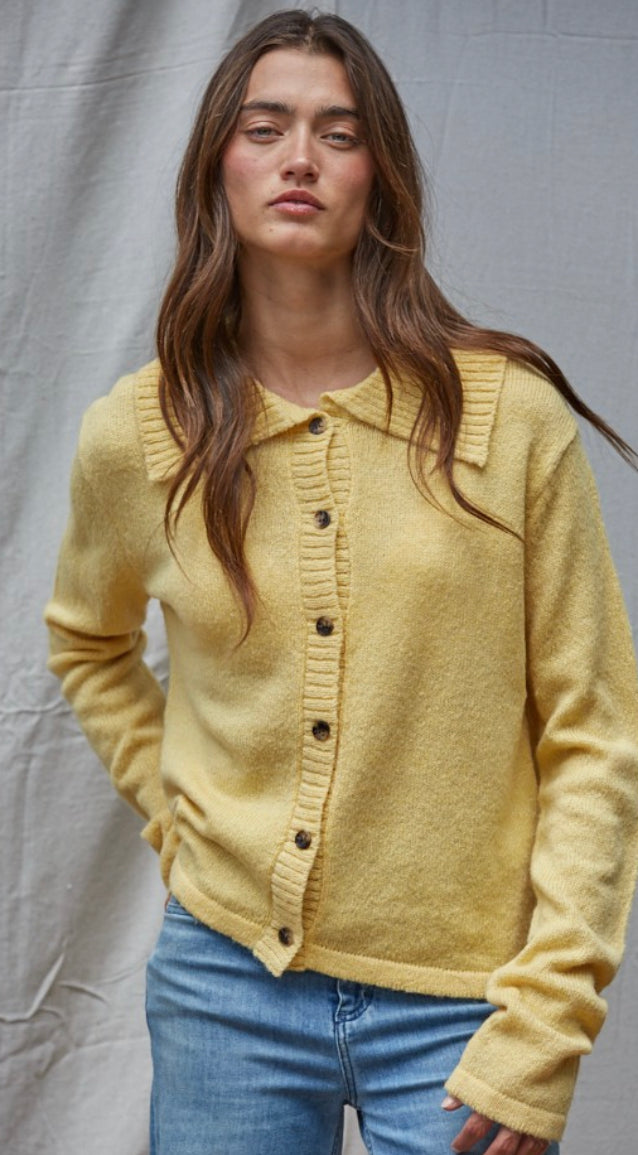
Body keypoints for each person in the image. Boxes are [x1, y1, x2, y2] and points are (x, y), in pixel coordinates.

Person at [44, 9, 638, 1155]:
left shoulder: (507, 420)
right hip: (224, 984)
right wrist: (181, 817)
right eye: (264, 127)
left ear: (382, 176)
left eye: (338, 132)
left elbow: (592, 732)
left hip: (466, 1002)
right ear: (216, 166)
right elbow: (86, 641)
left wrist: (547, 1016)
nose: (299, 158)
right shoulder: (138, 434)